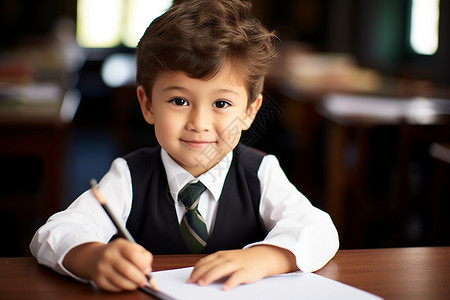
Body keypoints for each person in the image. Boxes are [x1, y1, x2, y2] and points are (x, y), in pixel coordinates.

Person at [30, 0, 339, 293]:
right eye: (179, 101)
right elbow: (53, 233)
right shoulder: (129, 176)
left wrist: (264, 258)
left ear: (249, 112)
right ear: (148, 104)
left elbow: (319, 229)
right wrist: (94, 259)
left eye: (221, 103)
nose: (199, 122)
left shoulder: (261, 172)